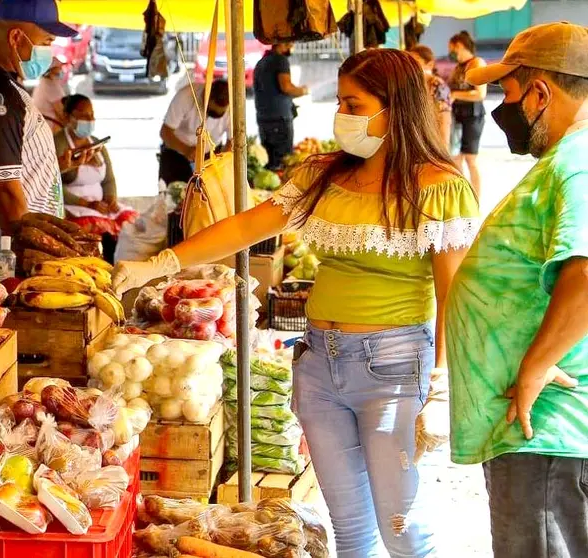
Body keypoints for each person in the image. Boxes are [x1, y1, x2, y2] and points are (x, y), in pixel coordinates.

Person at [115, 49, 481, 557]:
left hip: (394, 368)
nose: (342, 116)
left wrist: (441, 383)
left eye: (354, 104)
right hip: (317, 366)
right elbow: (246, 226)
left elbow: (455, 293)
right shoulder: (325, 175)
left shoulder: (438, 186)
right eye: (341, 103)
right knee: (351, 528)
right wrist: (162, 264)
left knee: (404, 527)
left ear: (394, 108)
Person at [446, 22, 588, 557]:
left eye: (507, 92)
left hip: (548, 433)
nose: (502, 108)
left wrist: (532, 370)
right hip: (535, 436)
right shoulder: (567, 160)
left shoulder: (578, 164)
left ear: (541, 92)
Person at [0, 0, 93, 276]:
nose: (51, 53)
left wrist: (55, 167)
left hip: (25, 260)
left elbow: (16, 168)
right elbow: (5, 193)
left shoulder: (6, 88)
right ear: (17, 37)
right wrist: (31, 272)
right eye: (46, 41)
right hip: (11, 270)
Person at [54, 94, 137, 239]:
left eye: (92, 115)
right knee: (95, 230)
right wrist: (87, 204)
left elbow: (109, 179)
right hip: (73, 206)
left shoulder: (96, 143)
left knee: (130, 224)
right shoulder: (57, 143)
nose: (90, 120)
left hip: (100, 205)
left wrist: (110, 199)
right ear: (67, 117)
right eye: (83, 116)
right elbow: (54, 185)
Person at [158, 79, 230, 185]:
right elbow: (165, 132)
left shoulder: (234, 107)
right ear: (206, 95)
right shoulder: (185, 96)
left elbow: (233, 141)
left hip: (211, 156)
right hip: (177, 152)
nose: (212, 116)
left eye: (218, 115)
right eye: (211, 112)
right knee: (174, 195)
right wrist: (186, 150)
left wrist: (221, 161)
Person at [254, 42, 309, 170]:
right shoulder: (280, 60)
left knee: (270, 162)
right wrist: (303, 90)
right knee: (285, 163)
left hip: (264, 119)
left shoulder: (261, 62)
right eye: (291, 43)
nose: (292, 46)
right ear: (283, 44)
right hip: (279, 120)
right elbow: (286, 87)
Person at [447, 30, 487, 198]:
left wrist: (455, 95)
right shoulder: (458, 67)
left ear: (460, 46)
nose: (451, 53)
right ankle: (463, 196)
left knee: (470, 159)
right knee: (456, 158)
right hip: (457, 115)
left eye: (452, 49)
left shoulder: (477, 63)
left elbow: (480, 94)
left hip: (473, 115)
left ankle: (476, 198)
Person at [409, 45, 452, 149]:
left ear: (430, 64)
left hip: (433, 143)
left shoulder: (438, 85)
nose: (411, 64)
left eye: (416, 60)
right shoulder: (412, 84)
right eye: (409, 60)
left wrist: (443, 149)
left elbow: (444, 120)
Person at [33, 57, 70, 132]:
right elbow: (61, 113)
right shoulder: (50, 86)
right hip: (50, 128)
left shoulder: (46, 82)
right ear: (51, 70)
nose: (61, 69)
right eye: (58, 67)